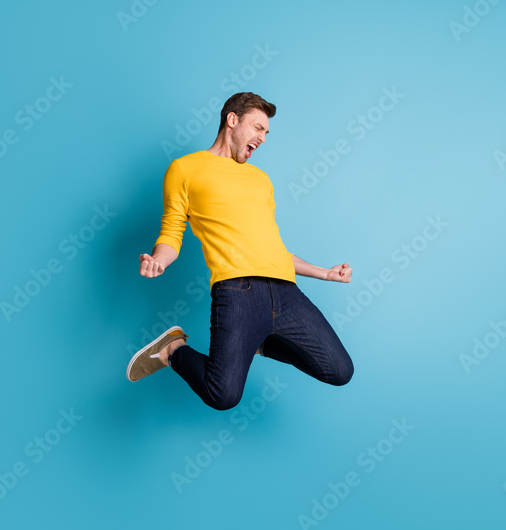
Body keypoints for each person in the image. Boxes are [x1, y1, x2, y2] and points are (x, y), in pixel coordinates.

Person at [126, 92, 354, 409]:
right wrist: (159, 261)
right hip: (238, 293)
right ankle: (172, 349)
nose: (262, 138)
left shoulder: (261, 179)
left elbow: (268, 246)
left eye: (266, 133)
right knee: (223, 396)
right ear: (232, 120)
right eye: (258, 128)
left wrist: (324, 273)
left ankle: (258, 341)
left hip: (286, 293)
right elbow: (171, 232)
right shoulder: (185, 169)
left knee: (340, 370)